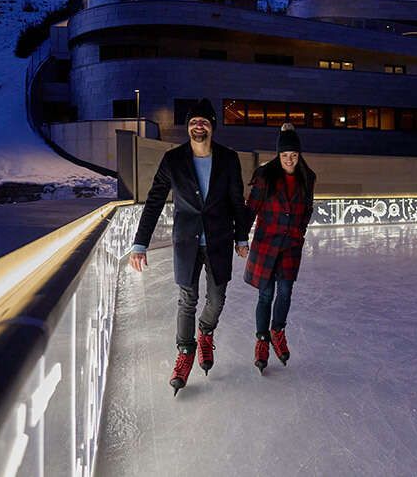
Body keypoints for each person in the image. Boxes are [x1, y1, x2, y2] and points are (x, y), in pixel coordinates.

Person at [129, 98, 249, 395]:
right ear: (188, 126)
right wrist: (139, 243)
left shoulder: (228, 159)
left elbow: (237, 201)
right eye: (194, 121)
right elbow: (155, 201)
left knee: (217, 297)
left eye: (204, 121)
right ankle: (185, 352)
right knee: (187, 298)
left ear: (212, 127)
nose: (199, 125)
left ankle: (205, 332)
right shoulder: (174, 159)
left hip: (219, 240)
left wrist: (242, 237)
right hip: (186, 241)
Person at [244, 123, 316, 373]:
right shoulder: (266, 175)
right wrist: (241, 236)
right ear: (278, 155)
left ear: (299, 155)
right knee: (265, 295)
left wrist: (300, 231)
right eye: (285, 155)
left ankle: (277, 331)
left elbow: (308, 209)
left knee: (285, 292)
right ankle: (262, 340)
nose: (289, 160)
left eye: (293, 155)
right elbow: (251, 207)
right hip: (266, 245)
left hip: (290, 246)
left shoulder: (308, 177)